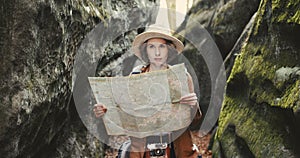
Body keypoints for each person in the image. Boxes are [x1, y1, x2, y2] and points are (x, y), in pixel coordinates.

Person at [93, 26, 202, 158]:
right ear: (146, 50)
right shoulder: (135, 76)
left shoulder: (182, 76)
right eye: (151, 47)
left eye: (162, 47)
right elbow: (125, 114)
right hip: (142, 150)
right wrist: (105, 111)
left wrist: (193, 105)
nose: (157, 52)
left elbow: (195, 122)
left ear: (169, 49)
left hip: (176, 149)